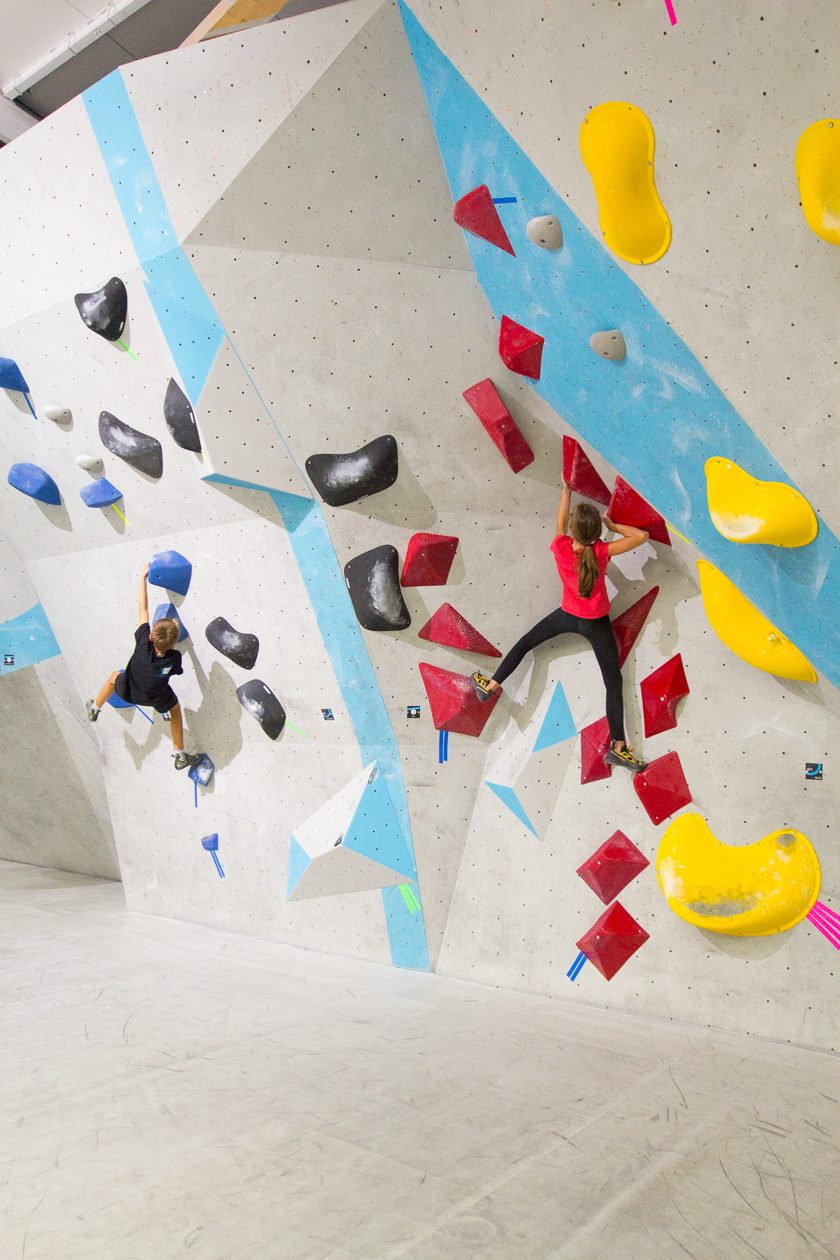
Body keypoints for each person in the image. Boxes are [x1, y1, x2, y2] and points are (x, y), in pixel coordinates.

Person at [471, 478, 650, 771]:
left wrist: (566, 490)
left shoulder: (561, 546)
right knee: (613, 682)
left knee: (527, 642)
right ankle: (618, 747)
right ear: (596, 533)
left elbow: (559, 522)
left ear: (572, 531)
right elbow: (641, 536)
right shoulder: (602, 552)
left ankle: (490, 686)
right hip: (596, 623)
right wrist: (615, 528)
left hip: (567, 615)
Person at [86, 561, 203, 770]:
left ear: (150, 636)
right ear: (174, 644)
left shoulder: (142, 644)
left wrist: (142, 578)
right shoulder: (174, 658)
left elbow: (144, 608)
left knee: (114, 676)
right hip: (156, 697)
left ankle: (95, 708)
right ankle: (179, 754)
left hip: (129, 690)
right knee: (175, 710)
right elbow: (175, 670)